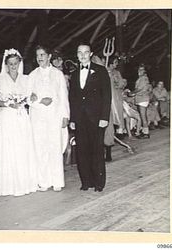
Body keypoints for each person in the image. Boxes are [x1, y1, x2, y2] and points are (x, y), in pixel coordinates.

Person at [0, 48, 38, 196]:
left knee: (22, 147)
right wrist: (8, 104)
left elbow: (31, 95)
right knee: (9, 147)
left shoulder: (26, 79)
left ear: (20, 63)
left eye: (15, 63)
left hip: (21, 117)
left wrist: (29, 98)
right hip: (7, 117)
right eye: (10, 63)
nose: (13, 66)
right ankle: (9, 184)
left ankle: (25, 182)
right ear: (6, 64)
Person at [69, 42, 111, 192]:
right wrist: (72, 119)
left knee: (97, 150)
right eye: (80, 52)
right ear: (77, 55)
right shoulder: (74, 74)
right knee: (82, 151)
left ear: (91, 54)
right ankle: (86, 182)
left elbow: (107, 95)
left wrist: (104, 117)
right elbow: (72, 98)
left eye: (86, 52)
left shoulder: (100, 71)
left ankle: (99, 183)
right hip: (80, 119)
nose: (83, 55)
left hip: (96, 118)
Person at [28, 45, 69, 192]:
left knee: (54, 146)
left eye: (43, 55)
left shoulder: (58, 75)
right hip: (38, 117)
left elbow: (63, 96)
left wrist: (65, 115)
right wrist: (38, 101)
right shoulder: (32, 75)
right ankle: (44, 181)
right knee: (40, 148)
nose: (40, 58)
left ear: (49, 56)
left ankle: (57, 181)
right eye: (38, 55)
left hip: (54, 115)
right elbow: (27, 98)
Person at [130, 65, 151, 139]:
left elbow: (139, 89)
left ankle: (146, 133)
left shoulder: (143, 78)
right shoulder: (143, 78)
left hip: (142, 99)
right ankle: (145, 131)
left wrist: (131, 93)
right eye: (139, 69)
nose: (139, 71)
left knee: (143, 116)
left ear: (144, 71)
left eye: (142, 70)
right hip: (141, 98)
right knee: (143, 116)